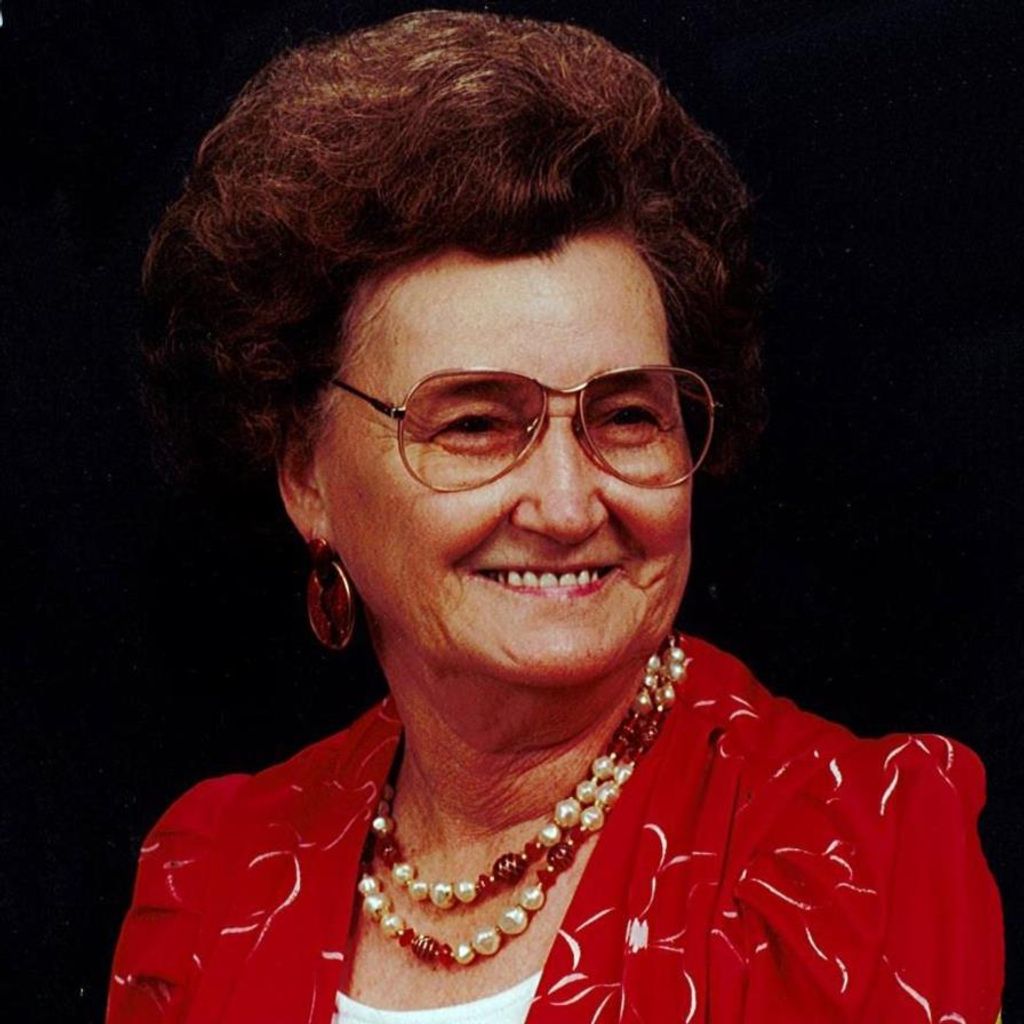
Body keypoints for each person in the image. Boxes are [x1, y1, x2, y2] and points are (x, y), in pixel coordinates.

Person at [107, 10, 1003, 1023]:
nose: (570, 504)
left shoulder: (858, 853)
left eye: (627, 417)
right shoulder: (208, 878)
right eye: (477, 424)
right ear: (306, 475)